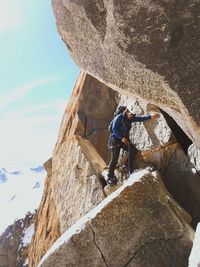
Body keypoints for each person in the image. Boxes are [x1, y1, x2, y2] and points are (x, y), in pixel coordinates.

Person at [107, 107, 159, 185]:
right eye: (127, 111)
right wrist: (121, 138)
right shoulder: (120, 117)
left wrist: (150, 116)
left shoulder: (130, 119)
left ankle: (127, 167)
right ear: (125, 113)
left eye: (129, 111)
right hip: (114, 141)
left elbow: (140, 118)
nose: (130, 113)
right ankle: (109, 176)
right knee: (115, 159)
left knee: (133, 149)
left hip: (123, 141)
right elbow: (114, 129)